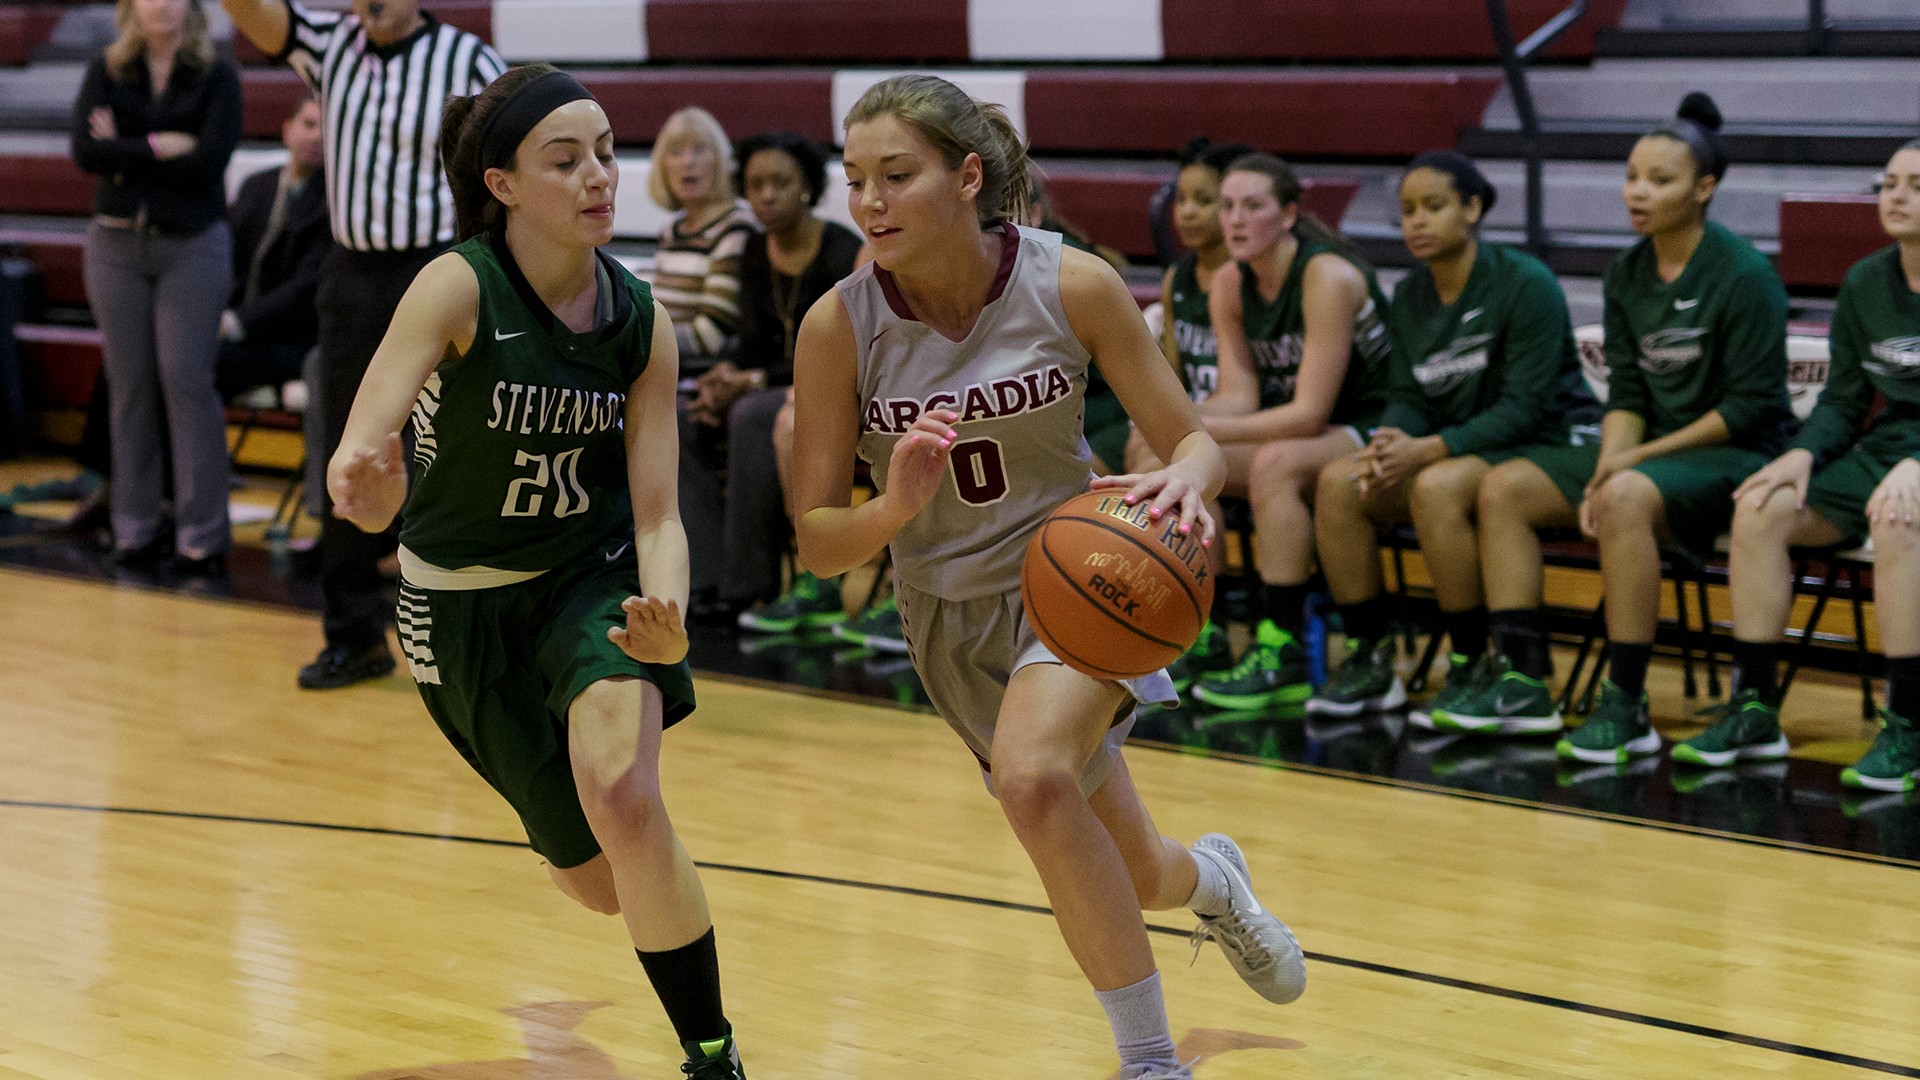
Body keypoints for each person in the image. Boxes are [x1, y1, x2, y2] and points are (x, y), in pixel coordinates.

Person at [791, 74, 1305, 1080]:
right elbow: (816, 542)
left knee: (1031, 783)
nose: (870, 202)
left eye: (897, 176)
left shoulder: (1073, 282)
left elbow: (1194, 444)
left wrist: (1183, 488)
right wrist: (893, 506)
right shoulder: (837, 326)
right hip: (947, 616)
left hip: (1077, 583)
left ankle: (1151, 1063)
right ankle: (1214, 885)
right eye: (855, 181)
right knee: (1137, 867)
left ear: (967, 175)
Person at [325, 65, 745, 1078]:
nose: (599, 175)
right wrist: (363, 482)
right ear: (505, 184)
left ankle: (714, 1053)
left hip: (587, 582)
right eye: (567, 159)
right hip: (457, 609)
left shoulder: (641, 320)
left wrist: (672, 615)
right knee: (600, 882)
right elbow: (366, 479)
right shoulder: (457, 284)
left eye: (605, 150)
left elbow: (655, 513)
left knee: (627, 795)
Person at [1470, 93, 1793, 761]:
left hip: (1738, 454)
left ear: (1705, 189)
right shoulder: (1628, 271)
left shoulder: (1744, 274)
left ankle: (1625, 700)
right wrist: (1606, 464)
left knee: (1624, 494)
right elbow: (1627, 392)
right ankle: (1523, 679)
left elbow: (1746, 410)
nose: (1637, 192)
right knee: (1505, 489)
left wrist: (1631, 463)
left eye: (1659, 180)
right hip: (1653, 453)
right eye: (1631, 177)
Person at [221, 0, 505, 689]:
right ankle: (353, 632)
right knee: (349, 449)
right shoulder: (328, 42)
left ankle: (479, 632)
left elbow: (507, 160)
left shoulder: (467, 59)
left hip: (439, 270)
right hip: (351, 273)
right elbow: (254, 15)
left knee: (460, 449)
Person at [1307, 152, 1599, 723]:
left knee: (1437, 486)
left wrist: (1430, 448)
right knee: (1340, 482)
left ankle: (1473, 662)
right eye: (1408, 210)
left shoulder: (1526, 283)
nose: (1417, 221)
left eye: (1434, 207)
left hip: (1550, 439)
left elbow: (1526, 405)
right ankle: (1370, 659)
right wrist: (1388, 444)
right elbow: (1409, 394)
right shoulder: (1413, 295)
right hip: (1465, 444)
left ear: (1472, 208)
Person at [1671, 139, 1920, 792]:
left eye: (1916, 185)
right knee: (1759, 507)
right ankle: (1753, 708)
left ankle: (1908, 727)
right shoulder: (1868, 280)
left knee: (1898, 519)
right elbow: (1842, 401)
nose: (1897, 196)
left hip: (1913, 469)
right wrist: (1800, 455)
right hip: (1883, 453)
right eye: (1889, 183)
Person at [1186, 153, 1395, 711]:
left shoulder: (1326, 275)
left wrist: (1201, 428)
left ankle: (1284, 648)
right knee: (1175, 452)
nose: (1234, 219)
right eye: (1228, 206)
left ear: (1289, 215)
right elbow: (1240, 396)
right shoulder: (1230, 282)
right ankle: (1201, 629)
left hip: (1377, 422)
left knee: (1274, 464)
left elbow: (1309, 413)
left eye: (1253, 207)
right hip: (1305, 427)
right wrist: (1183, 422)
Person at [72, 0, 242, 576]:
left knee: (187, 383)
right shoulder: (107, 69)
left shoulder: (216, 71)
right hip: (115, 245)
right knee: (129, 389)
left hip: (192, 244)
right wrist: (158, 145)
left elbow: (211, 160)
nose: (161, 4)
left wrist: (123, 151)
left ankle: (202, 538)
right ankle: (134, 530)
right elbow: (85, 151)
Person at [671, 129, 859, 632]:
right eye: (755, 185)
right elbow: (752, 343)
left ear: (808, 186)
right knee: (683, 413)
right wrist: (723, 377)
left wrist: (748, 382)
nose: (767, 195)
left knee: (753, 414)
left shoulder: (842, 251)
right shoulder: (754, 250)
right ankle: (704, 580)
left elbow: (841, 354)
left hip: (828, 391)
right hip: (765, 384)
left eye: (780, 182)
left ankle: (750, 587)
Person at [1130, 135, 1252, 691]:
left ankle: (1209, 624)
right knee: (1142, 452)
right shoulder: (1180, 277)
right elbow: (1171, 378)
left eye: (1204, 200)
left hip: (1247, 424)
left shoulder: (1248, 276)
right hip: (1205, 419)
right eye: (1181, 199)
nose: (1188, 213)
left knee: (1187, 474)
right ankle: (1172, 613)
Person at [647, 106, 761, 619]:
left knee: (671, 419)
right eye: (675, 151)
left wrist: (642, 345)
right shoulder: (675, 229)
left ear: (721, 163)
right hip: (674, 364)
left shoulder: (734, 227)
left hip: (713, 368)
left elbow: (716, 330)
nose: (687, 162)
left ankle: (705, 577)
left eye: (699, 150)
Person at [215, 95, 330, 401]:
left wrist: (234, 322)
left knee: (190, 363)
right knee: (144, 354)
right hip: (236, 326)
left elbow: (306, 289)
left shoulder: (334, 202)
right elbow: (224, 258)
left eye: (327, 129)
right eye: (308, 124)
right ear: (287, 130)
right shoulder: (256, 186)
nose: (317, 136)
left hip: (290, 340)